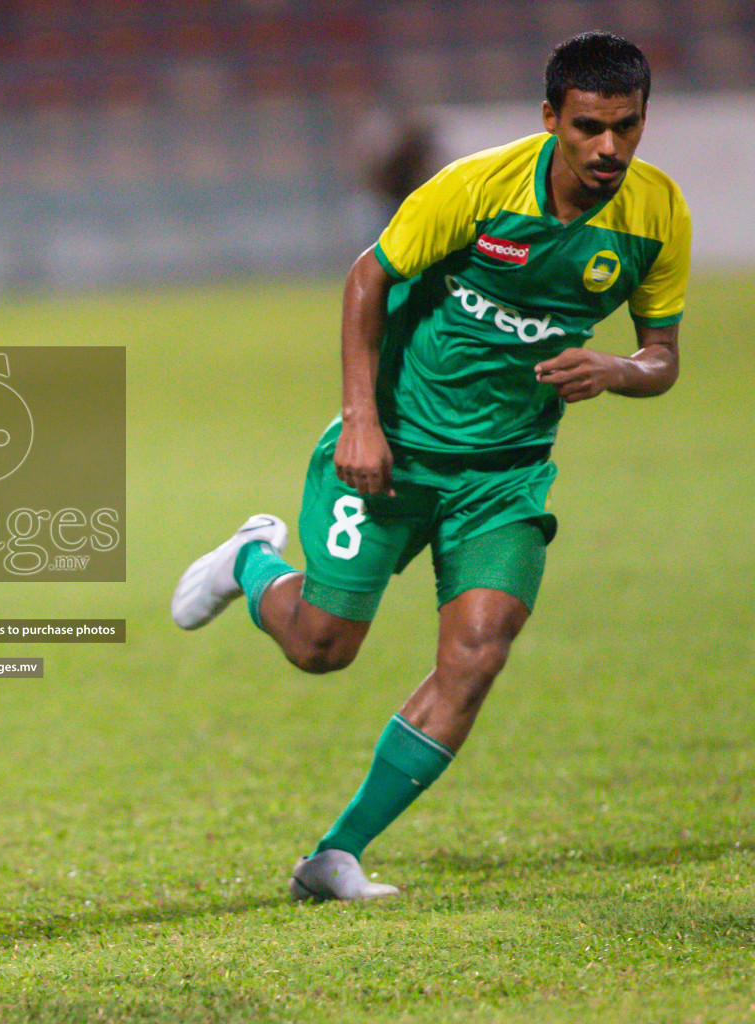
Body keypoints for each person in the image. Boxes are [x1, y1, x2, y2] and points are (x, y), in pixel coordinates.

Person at [171, 32, 688, 901]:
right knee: (322, 647)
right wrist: (361, 422)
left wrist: (621, 370)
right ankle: (251, 561)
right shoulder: (476, 190)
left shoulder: (654, 214)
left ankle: (335, 855)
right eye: (590, 127)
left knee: (478, 654)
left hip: (507, 473)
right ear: (551, 118)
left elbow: (662, 354)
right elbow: (367, 280)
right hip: (395, 450)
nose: (609, 149)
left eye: (627, 128)